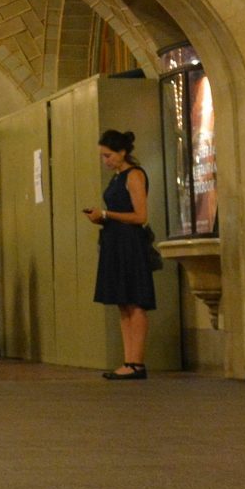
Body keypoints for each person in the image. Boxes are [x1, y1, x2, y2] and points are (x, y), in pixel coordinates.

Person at [84, 129, 155, 379]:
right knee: (123, 303)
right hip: (115, 241)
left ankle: (137, 362)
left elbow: (140, 216)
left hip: (130, 243)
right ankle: (129, 360)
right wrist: (101, 218)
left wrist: (106, 215)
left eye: (108, 155)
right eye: (103, 156)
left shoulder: (134, 175)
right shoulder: (116, 177)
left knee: (135, 301)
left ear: (122, 152)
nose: (105, 161)